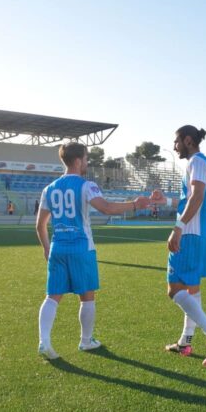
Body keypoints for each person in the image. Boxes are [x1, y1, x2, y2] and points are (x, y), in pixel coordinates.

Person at [36, 142, 151, 359]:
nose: (87, 163)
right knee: (87, 296)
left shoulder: (48, 189)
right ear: (78, 160)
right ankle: (86, 341)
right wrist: (135, 204)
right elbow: (106, 207)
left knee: (52, 297)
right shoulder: (86, 186)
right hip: (81, 248)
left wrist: (46, 249)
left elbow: (40, 224)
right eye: (87, 159)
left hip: (58, 248)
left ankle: (44, 342)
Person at [150, 125, 206, 367]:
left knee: (174, 290)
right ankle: (185, 341)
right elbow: (190, 197)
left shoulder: (197, 162)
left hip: (191, 235)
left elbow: (196, 197)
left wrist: (178, 228)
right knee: (192, 290)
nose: (175, 147)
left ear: (187, 140)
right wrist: (166, 200)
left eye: (176, 142)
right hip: (200, 233)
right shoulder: (200, 163)